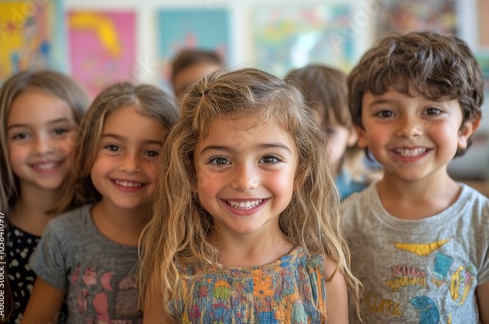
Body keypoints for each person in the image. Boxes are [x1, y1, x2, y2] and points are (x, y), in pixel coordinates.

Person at [139, 68, 362, 323]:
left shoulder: (322, 277)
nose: (245, 181)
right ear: (191, 173)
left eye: (269, 158)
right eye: (220, 160)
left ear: (299, 173)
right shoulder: (172, 277)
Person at [342, 31, 489, 323]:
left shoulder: (482, 222)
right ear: (360, 130)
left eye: (432, 110)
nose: (409, 129)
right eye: (385, 113)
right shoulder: (341, 222)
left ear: (465, 129)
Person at [21, 82, 179, 323]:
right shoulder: (63, 234)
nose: (130, 166)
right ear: (88, 152)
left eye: (151, 153)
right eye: (113, 147)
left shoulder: (185, 240)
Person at [0, 70, 89, 323]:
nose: (42, 148)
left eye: (59, 130)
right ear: (1, 143)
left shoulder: (106, 220)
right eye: (22, 135)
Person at [285, 64, 381, 201]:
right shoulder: (277, 191)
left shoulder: (364, 195)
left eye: (328, 131)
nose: (313, 142)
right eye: (302, 130)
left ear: (354, 132)